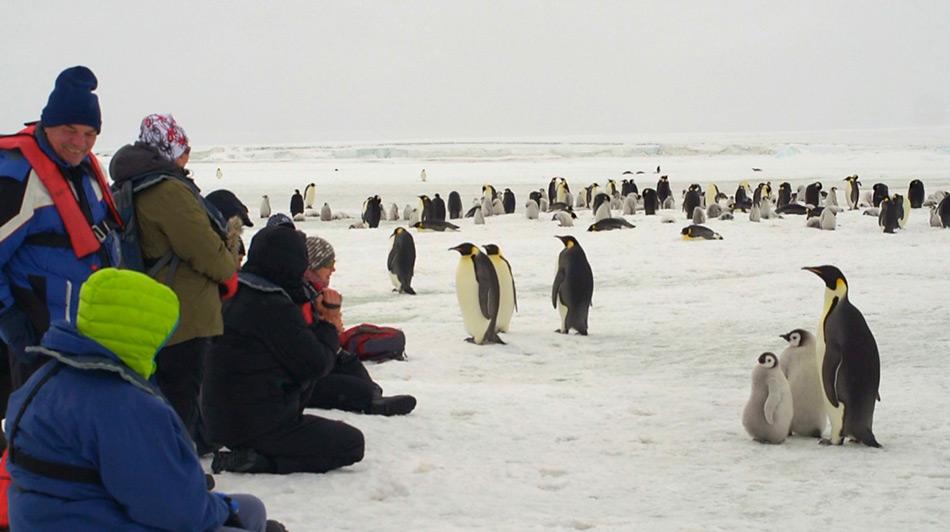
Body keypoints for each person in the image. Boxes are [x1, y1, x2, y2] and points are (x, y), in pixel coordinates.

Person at [4, 268, 281, 531]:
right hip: (94, 522)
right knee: (250, 515)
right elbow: (179, 512)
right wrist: (224, 510)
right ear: (143, 333)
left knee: (250, 509)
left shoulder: (45, 378)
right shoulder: (124, 405)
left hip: (47, 519)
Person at [108, 114, 237, 447]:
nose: (187, 156)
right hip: (183, 313)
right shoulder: (166, 190)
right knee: (180, 397)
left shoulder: (130, 184)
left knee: (164, 395)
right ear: (167, 148)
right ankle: (177, 474)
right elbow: (204, 249)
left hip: (151, 308)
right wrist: (229, 268)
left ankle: (179, 459)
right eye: (184, 147)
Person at [202, 226, 365, 474]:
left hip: (217, 420)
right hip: (257, 423)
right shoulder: (272, 305)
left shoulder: (234, 292)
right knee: (351, 443)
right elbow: (315, 364)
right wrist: (329, 323)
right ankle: (260, 461)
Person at [0, 65, 122, 390]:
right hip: (42, 340)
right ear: (48, 123)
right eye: (70, 129)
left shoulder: (83, 171)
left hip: (89, 336)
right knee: (42, 436)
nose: (80, 142)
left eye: (90, 133)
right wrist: (11, 322)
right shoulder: (18, 176)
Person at [302, 236, 416, 415]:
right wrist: (329, 323)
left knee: (353, 367)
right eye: (328, 263)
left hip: (318, 360)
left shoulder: (313, 294)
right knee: (355, 387)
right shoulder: (300, 297)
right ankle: (369, 400)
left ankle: (372, 395)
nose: (334, 268)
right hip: (302, 375)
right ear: (312, 266)